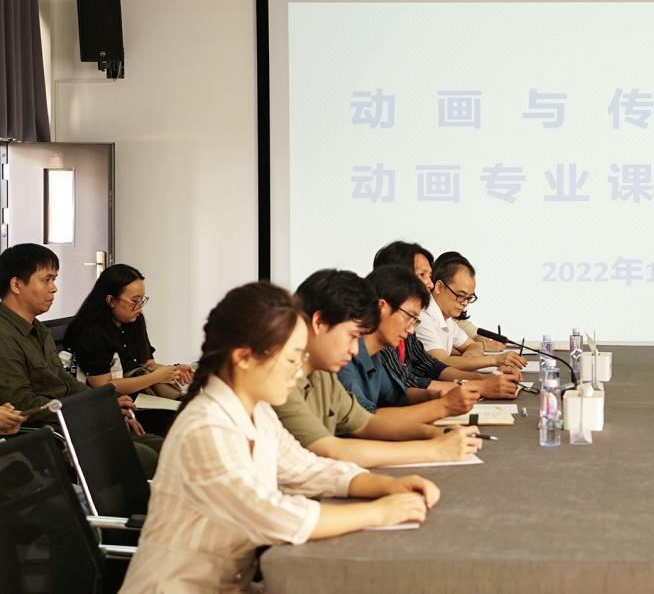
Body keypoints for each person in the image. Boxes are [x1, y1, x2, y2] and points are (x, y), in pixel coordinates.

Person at [120, 282, 440, 592]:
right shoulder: (205, 428)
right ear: (244, 357)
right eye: (291, 359)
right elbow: (270, 514)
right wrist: (380, 512)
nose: (298, 371)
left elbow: (307, 469)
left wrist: (386, 485)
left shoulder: (258, 412)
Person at [274, 269, 483, 467]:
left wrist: (435, 434)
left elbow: (366, 422)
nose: (355, 349)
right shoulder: (283, 380)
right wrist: (435, 448)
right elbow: (331, 450)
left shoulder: (323, 373)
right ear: (319, 322)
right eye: (352, 336)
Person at [0, 244, 163, 476]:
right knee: (148, 459)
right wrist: (91, 410)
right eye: (46, 280)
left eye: (54, 279)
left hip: (73, 423)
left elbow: (65, 381)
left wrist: (104, 402)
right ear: (17, 285)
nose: (54, 288)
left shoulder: (38, 329)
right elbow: (22, 402)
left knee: (165, 447)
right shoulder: (4, 335)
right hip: (51, 433)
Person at [371, 242, 520, 398]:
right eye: (422, 275)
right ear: (394, 279)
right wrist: (479, 385)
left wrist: (483, 380)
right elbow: (405, 385)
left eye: (429, 275)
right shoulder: (382, 332)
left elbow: (429, 366)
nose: (430, 284)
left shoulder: (408, 324)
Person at [338, 265, 482, 422]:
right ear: (381, 307)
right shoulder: (344, 357)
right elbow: (364, 420)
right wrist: (443, 406)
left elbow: (399, 395)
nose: (411, 330)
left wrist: (435, 395)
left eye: (415, 321)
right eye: (408, 317)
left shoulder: (375, 355)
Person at [63, 264, 193, 434]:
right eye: (134, 301)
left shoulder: (135, 321)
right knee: (185, 421)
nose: (140, 307)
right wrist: (155, 377)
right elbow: (103, 386)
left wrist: (172, 370)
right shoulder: (92, 332)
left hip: (144, 397)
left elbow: (148, 364)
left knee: (197, 408)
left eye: (142, 300)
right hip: (118, 405)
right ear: (110, 300)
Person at [417, 255, 525, 372]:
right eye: (461, 296)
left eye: (469, 298)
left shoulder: (447, 319)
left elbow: (473, 345)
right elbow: (441, 362)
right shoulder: (424, 315)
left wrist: (467, 360)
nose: (465, 303)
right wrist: (495, 360)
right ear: (439, 287)